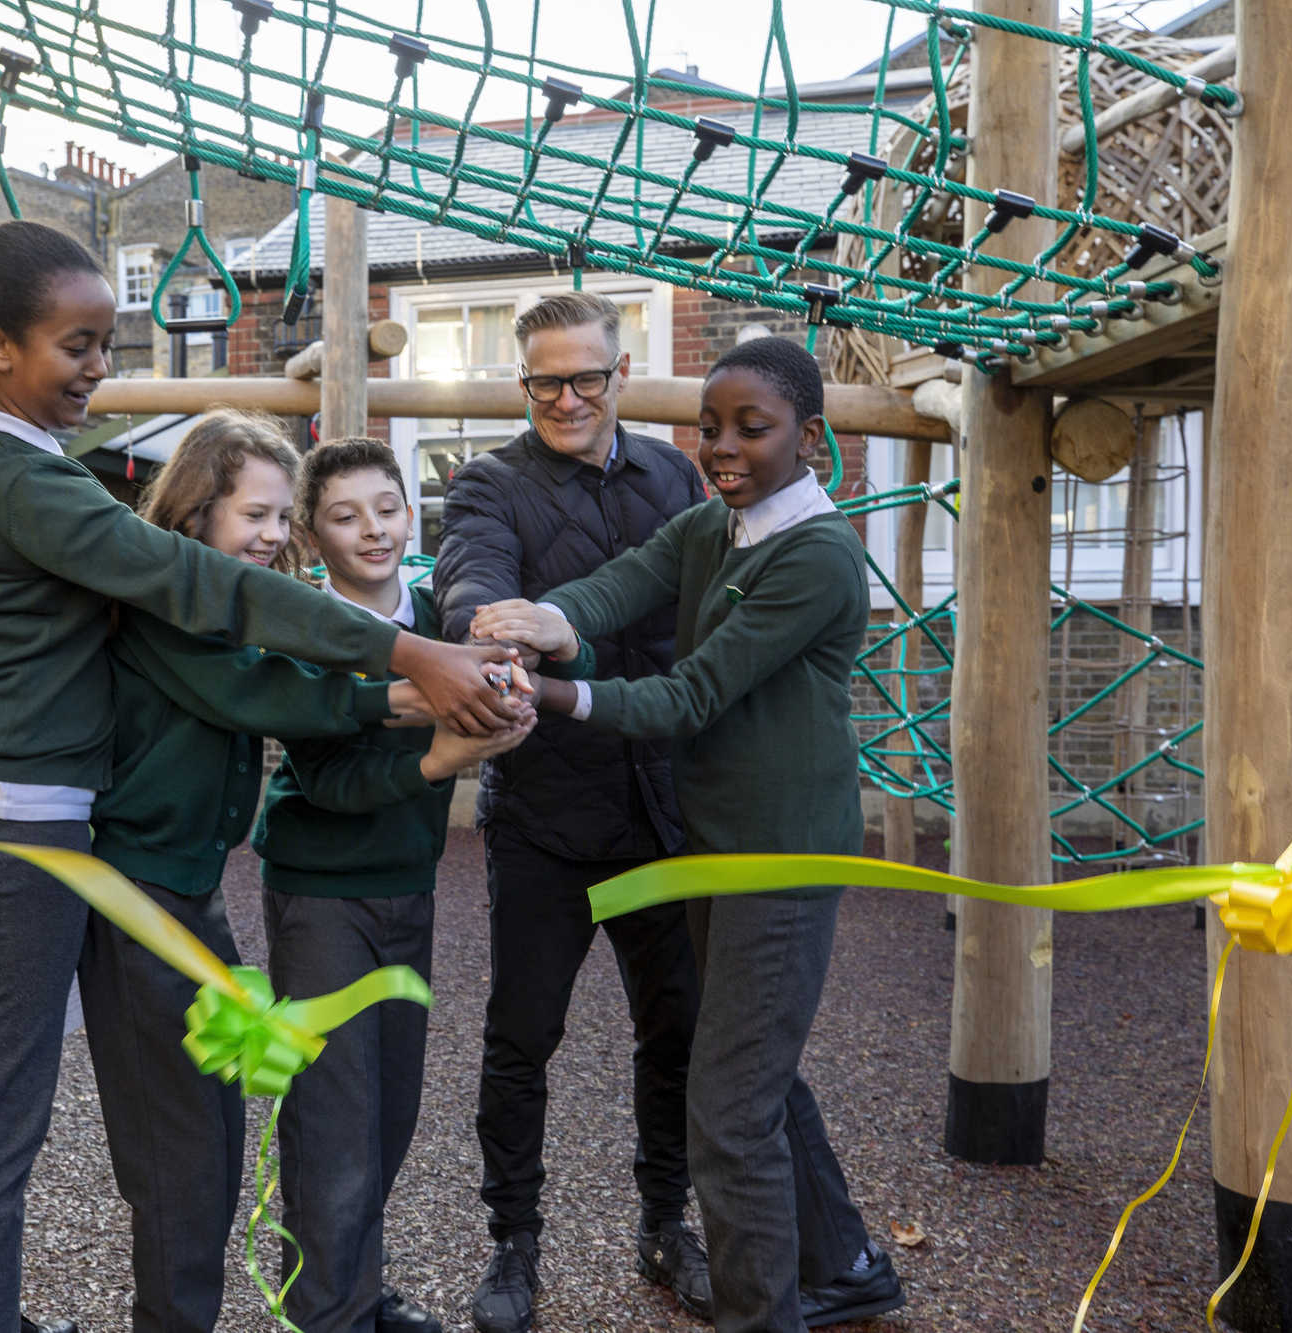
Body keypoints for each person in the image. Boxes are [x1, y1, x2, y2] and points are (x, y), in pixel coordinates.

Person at [0, 220, 518, 1333]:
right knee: (10, 1129)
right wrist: (404, 661)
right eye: (75, 344)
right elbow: (216, 615)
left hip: (30, 815)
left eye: (104, 340)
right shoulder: (24, 482)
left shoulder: (23, 467)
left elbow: (240, 646)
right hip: (15, 819)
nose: (98, 364)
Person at [468, 334, 907, 1332]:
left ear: (808, 435)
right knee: (749, 1068)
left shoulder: (818, 556)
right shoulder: (718, 524)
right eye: (708, 426)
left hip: (779, 859)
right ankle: (839, 1266)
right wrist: (544, 616)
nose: (722, 446)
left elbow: (690, 693)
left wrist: (553, 688)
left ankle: (765, 1312)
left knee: (728, 1114)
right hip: (713, 842)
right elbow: (622, 581)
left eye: (751, 428)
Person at [76, 411, 441, 1333]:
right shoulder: (167, 603)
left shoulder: (219, 601)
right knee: (183, 1150)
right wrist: (414, 687)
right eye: (260, 516)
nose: (274, 537)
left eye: (283, 519)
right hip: (137, 890)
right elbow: (264, 692)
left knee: (221, 1125)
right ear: (198, 510)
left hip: (186, 890)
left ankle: (318, 1294)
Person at [432, 291, 708, 1331]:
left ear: (618, 373)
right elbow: (469, 582)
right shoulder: (489, 485)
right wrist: (480, 628)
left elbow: (700, 606)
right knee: (520, 1034)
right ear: (522, 384)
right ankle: (512, 1245)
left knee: (674, 1028)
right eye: (544, 380)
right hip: (546, 807)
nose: (565, 397)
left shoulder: (674, 477)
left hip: (661, 804)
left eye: (584, 376)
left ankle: (664, 1223)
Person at [253, 438, 536, 1333]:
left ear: (412, 513)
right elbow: (330, 781)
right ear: (311, 532)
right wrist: (446, 756)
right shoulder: (303, 626)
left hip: (406, 884)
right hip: (323, 892)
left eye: (387, 506)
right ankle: (328, 1313)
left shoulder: (448, 615)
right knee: (334, 1119)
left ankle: (352, 1289)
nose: (372, 528)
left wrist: (510, 710)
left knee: (391, 1110)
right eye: (345, 514)